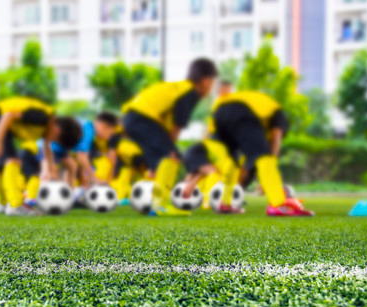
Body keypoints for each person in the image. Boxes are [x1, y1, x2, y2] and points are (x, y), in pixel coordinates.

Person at [182, 91, 314, 216]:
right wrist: (268, 178)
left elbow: (246, 161)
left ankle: (224, 203)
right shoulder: (278, 116)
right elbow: (276, 138)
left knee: (232, 164)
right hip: (241, 111)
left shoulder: (254, 123)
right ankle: (277, 204)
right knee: (265, 157)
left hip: (219, 113)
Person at [121, 58, 218, 215]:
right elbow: (176, 128)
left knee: (157, 165)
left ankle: (147, 201)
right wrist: (170, 150)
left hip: (132, 118)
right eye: (213, 82)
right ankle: (159, 205)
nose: (211, 87)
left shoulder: (180, 88)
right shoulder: (189, 92)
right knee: (172, 156)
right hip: (143, 118)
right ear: (206, 81)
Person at [0, 96, 82, 216]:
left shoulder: (48, 126)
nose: (53, 139)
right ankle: (15, 206)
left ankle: (3, 204)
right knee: (12, 162)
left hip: (2, 123)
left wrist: (51, 171)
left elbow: (47, 149)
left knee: (0, 168)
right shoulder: (43, 117)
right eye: (56, 138)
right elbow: (9, 114)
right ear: (58, 129)